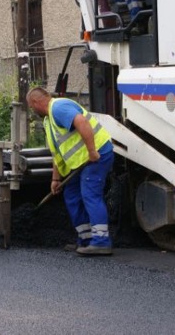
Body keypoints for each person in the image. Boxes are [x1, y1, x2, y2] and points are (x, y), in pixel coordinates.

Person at [26, 87, 114, 255]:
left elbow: (82, 122)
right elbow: (57, 153)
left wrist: (92, 151)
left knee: (90, 194)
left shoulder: (59, 107)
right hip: (81, 162)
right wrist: (55, 179)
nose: (32, 110)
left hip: (97, 155)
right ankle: (86, 239)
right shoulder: (48, 121)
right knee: (72, 195)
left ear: (36, 102)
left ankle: (101, 241)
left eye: (31, 106)